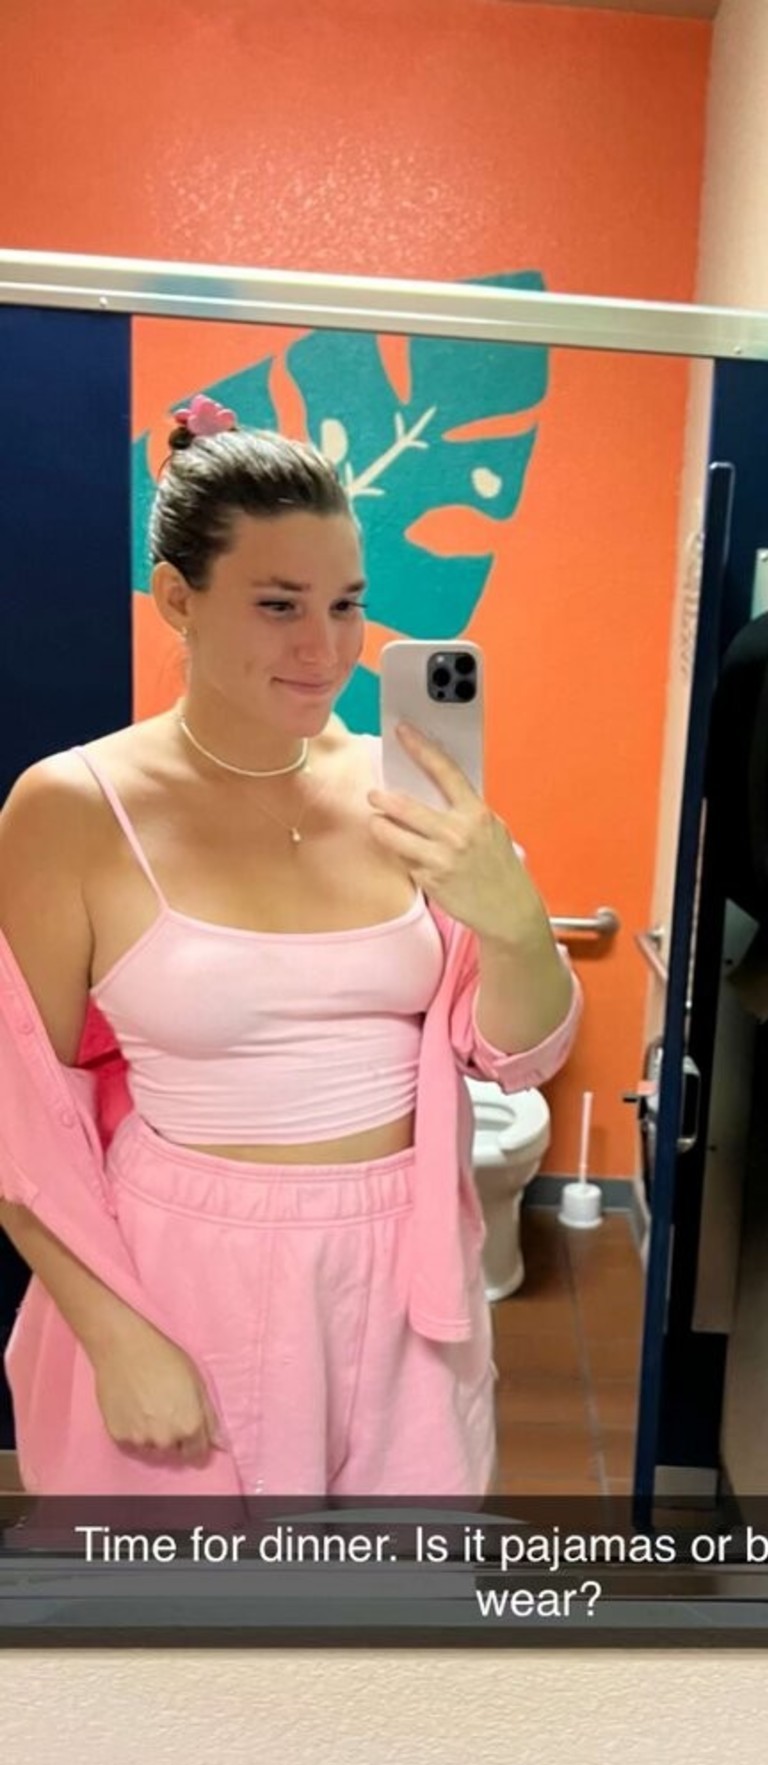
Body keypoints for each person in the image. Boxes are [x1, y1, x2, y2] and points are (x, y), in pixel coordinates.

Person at [0, 395, 582, 1499]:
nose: (327, 649)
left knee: (388, 1592)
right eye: (279, 605)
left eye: (346, 603)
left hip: (408, 1267)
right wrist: (117, 1336)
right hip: (182, 1269)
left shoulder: (403, 788)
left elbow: (518, 1056)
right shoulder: (73, 808)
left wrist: (511, 919)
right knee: (184, 1600)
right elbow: (19, 1108)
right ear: (179, 598)